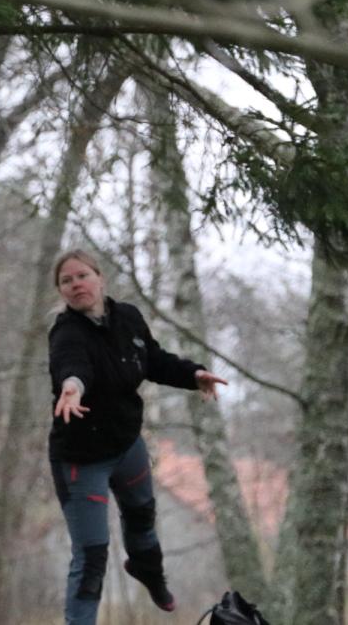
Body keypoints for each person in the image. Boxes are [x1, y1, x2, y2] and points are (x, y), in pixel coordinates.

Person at [47, 249, 227, 625]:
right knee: (92, 555)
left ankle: (148, 572)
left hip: (126, 444)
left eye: (82, 276)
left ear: (99, 278)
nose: (76, 284)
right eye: (67, 280)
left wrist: (194, 375)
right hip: (82, 460)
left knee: (142, 518)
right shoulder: (67, 333)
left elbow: (155, 361)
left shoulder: (128, 317)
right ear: (61, 291)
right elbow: (73, 364)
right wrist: (72, 387)